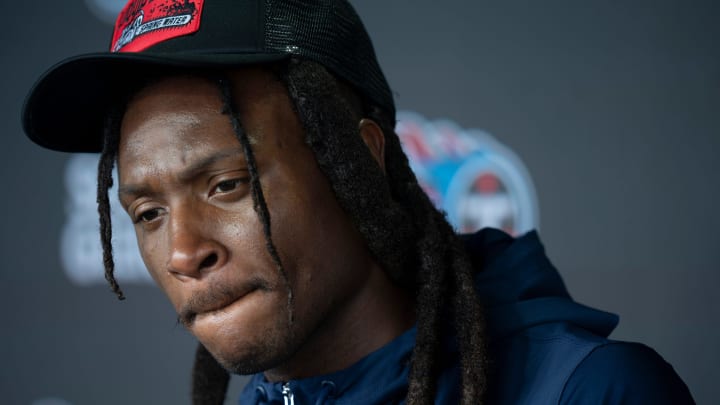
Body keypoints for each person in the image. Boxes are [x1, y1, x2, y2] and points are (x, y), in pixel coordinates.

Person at [22, 0, 694, 404]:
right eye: (147, 213)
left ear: (358, 159)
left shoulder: (586, 391)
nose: (181, 251)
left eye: (227, 184)